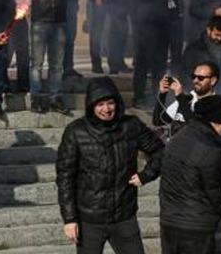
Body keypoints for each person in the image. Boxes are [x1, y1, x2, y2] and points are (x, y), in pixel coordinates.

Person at [56, 77, 164, 254]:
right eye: (100, 104)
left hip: (124, 216)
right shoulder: (75, 132)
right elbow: (65, 178)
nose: (106, 109)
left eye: (110, 103)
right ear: (91, 106)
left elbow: (160, 151)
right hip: (89, 220)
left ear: (117, 103)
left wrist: (146, 175)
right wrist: (69, 219)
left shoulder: (131, 125)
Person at [159, 95, 221, 254]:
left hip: (169, 220)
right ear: (220, 122)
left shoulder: (179, 136)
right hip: (195, 227)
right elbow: (214, 191)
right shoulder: (212, 147)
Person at [128, 0, 181, 107]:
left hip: (164, 23)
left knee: (160, 64)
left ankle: (158, 97)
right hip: (146, 24)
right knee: (143, 63)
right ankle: (139, 97)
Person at [30, 0, 69, 114]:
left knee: (57, 64)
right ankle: (36, 99)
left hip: (59, 21)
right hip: (40, 21)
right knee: (37, 64)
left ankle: (55, 98)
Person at [153, 62, 221, 134]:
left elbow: (196, 130)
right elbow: (158, 121)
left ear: (213, 81)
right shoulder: (188, 98)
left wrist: (180, 97)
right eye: (193, 77)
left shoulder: (217, 106)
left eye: (201, 78)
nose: (195, 81)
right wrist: (162, 93)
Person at [182, 17, 221, 92]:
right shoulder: (194, 50)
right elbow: (186, 75)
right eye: (217, 35)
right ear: (208, 30)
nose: (220, 38)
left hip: (220, 92)